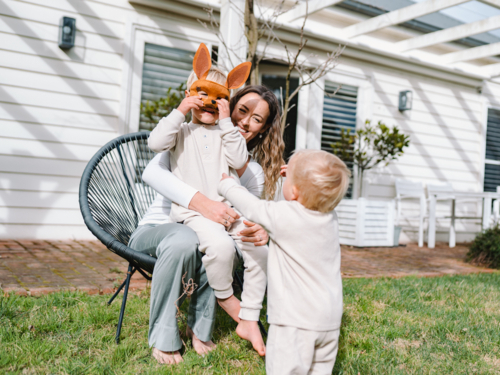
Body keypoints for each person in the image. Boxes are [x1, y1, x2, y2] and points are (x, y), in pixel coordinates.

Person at [128, 80, 284, 364]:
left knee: (214, 243)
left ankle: (202, 328)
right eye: (242, 110)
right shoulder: (185, 137)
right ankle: (165, 336)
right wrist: (205, 204)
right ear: (229, 105)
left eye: (257, 119)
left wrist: (262, 227)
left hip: (213, 233)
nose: (245, 122)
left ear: (263, 129)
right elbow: (151, 172)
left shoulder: (252, 170)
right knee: (187, 240)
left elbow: (247, 216)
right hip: (158, 231)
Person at [218, 149, 351, 374]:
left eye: (289, 179)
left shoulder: (286, 217)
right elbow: (310, 193)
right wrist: (297, 176)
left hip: (294, 322)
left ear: (296, 191)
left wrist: (228, 186)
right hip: (328, 321)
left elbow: (253, 207)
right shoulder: (330, 218)